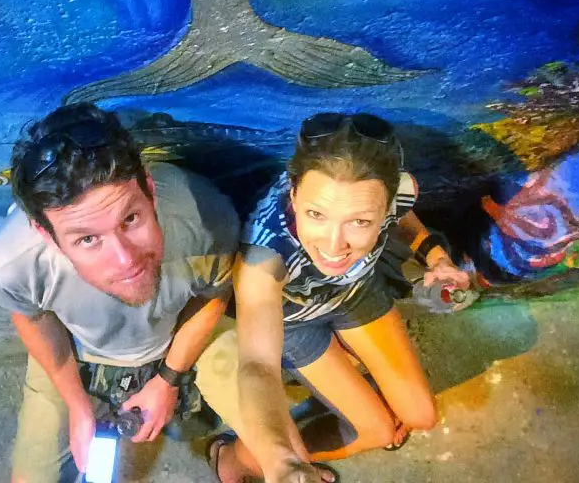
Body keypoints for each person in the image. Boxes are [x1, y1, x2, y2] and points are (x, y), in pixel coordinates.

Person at [200, 112, 472, 483]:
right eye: (316, 214)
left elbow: (403, 217)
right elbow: (258, 366)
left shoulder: (400, 190)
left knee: (420, 417)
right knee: (377, 431)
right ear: (294, 194)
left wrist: (435, 256)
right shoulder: (264, 255)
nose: (333, 245)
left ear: (387, 201)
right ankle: (238, 458)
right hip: (296, 321)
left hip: (355, 293)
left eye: (359, 222)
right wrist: (283, 463)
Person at [0, 103, 240, 483]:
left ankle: (232, 459)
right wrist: (77, 405)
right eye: (88, 239)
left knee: (272, 435)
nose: (125, 261)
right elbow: (32, 320)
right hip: (78, 352)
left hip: (177, 341)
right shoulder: (13, 261)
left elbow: (213, 296)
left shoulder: (205, 219)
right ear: (46, 235)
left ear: (150, 189)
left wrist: (168, 379)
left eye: (130, 219)